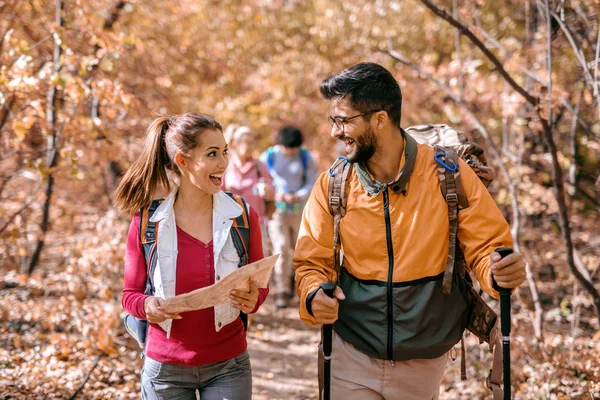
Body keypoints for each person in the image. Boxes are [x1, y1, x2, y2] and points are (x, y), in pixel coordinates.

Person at [293, 63, 527, 399]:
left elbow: (487, 247)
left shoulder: (448, 174)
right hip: (351, 351)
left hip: (424, 359)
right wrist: (314, 293)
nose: (334, 132)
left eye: (343, 120)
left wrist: (499, 272)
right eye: (334, 120)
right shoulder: (335, 182)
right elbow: (311, 260)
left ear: (380, 118)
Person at [115, 113, 269, 400]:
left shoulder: (243, 216)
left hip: (229, 365)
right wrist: (147, 304)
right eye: (212, 154)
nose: (223, 163)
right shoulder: (148, 222)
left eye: (225, 152)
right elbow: (129, 295)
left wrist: (253, 298)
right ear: (182, 161)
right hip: (165, 370)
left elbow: (259, 286)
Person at [259, 125, 317, 309]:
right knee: (281, 247)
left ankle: (295, 283)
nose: (290, 151)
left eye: (293, 148)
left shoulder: (305, 157)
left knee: (298, 249)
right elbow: (262, 180)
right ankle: (282, 290)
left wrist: (299, 194)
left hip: (299, 209)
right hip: (277, 210)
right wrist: (276, 194)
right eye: (287, 148)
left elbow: (311, 181)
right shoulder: (269, 157)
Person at [222, 124, 275, 255]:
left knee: (259, 261)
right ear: (235, 144)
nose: (251, 146)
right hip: (232, 224)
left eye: (253, 143)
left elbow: (272, 192)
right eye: (247, 142)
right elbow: (218, 192)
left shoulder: (259, 166)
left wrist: (267, 189)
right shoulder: (226, 166)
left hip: (257, 223)